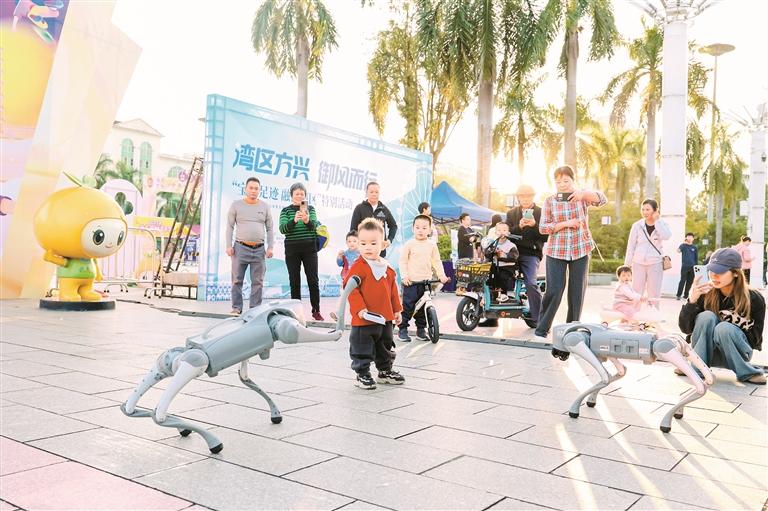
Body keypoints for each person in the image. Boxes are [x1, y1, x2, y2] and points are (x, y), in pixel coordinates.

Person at [535, 165, 607, 341]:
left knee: (577, 291)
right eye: (558, 181)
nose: (562, 185)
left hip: (580, 248)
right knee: (554, 289)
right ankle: (542, 330)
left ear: (573, 181)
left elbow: (602, 199)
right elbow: (543, 227)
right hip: (556, 250)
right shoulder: (550, 201)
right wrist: (565, 224)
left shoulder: (582, 197)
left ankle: (572, 330)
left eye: (566, 181)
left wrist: (583, 194)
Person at [678, 248, 766, 385]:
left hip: (738, 355)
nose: (714, 276)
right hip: (705, 353)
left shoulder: (754, 298)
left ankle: (746, 372)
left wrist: (729, 331)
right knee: (706, 316)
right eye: (712, 270)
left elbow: (756, 339)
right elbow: (685, 329)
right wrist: (692, 300)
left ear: (736, 273)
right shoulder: (705, 292)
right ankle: (697, 367)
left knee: (724, 328)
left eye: (720, 271)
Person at [344, 218, 404, 389]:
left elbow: (393, 291)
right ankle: (362, 373)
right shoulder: (358, 267)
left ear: (383, 244)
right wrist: (360, 309)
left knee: (385, 345)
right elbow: (350, 290)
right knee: (362, 346)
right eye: (363, 243)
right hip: (364, 318)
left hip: (384, 318)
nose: (368, 247)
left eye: (373, 243)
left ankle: (385, 371)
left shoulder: (387, 268)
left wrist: (397, 310)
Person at [225, 177, 274, 315]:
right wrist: (228, 245)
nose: (253, 191)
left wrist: (270, 247)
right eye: (251, 188)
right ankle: (236, 308)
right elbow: (229, 226)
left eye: (256, 188)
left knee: (258, 282)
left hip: (259, 249)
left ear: (259, 190)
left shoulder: (265, 206)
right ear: (245, 189)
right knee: (236, 280)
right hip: (240, 248)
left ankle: (254, 309)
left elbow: (270, 228)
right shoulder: (236, 205)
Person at [398, 215, 450, 342]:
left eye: (424, 228)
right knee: (408, 307)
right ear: (413, 228)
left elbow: (436, 261)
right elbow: (403, 261)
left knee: (422, 307)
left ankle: (421, 330)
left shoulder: (432, 245)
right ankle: (402, 329)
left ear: (429, 230)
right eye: (417, 227)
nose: (420, 230)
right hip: (411, 282)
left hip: (426, 281)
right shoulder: (409, 244)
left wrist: (441, 275)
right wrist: (404, 276)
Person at [279, 182, 323, 321]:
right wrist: (293, 220)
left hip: (310, 249)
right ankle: (295, 312)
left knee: (313, 280)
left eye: (302, 194)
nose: (299, 196)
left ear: (305, 196)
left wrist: (307, 220)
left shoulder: (310, 209)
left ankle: (316, 310)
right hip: (292, 250)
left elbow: (314, 226)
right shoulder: (286, 211)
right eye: (297, 194)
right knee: (294, 280)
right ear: (291, 195)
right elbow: (283, 229)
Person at [507, 184, 548, 327]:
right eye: (522, 196)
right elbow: (507, 234)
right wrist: (519, 227)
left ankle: (540, 320)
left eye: (528, 196)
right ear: (518, 197)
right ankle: (491, 309)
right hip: (512, 254)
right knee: (493, 275)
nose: (525, 199)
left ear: (533, 196)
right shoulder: (511, 213)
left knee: (531, 283)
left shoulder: (541, 212)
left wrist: (534, 225)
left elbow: (546, 236)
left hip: (531, 253)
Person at [623, 199, 672, 309]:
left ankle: (652, 318)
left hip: (655, 263)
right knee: (636, 292)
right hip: (638, 263)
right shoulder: (637, 225)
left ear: (655, 210)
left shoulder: (662, 224)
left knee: (654, 293)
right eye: (643, 209)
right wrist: (627, 265)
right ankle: (634, 316)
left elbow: (666, 236)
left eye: (648, 209)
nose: (645, 212)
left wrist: (657, 221)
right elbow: (631, 246)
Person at [350, 182, 398, 257]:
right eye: (371, 192)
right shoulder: (359, 208)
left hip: (380, 253)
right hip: (363, 252)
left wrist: (389, 240)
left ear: (379, 193)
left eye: (376, 192)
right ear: (366, 193)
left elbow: (393, 226)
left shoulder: (384, 209)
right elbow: (353, 229)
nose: (374, 194)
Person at [484, 222, 519, 303]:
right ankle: (492, 296)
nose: (501, 232)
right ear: (495, 232)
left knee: (502, 277)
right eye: (499, 230)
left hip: (507, 268)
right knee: (490, 279)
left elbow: (514, 257)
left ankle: (503, 294)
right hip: (495, 267)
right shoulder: (493, 244)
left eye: (504, 230)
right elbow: (486, 254)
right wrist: (492, 252)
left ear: (508, 233)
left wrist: (503, 255)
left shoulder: (511, 245)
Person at [676, 232, 698, 301]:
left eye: (691, 237)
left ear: (693, 239)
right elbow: (678, 251)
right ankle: (678, 295)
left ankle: (686, 296)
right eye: (688, 236)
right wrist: (683, 243)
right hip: (685, 266)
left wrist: (696, 267)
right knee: (682, 281)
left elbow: (696, 258)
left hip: (692, 267)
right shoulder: (683, 245)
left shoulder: (694, 247)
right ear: (686, 237)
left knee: (689, 282)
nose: (690, 238)